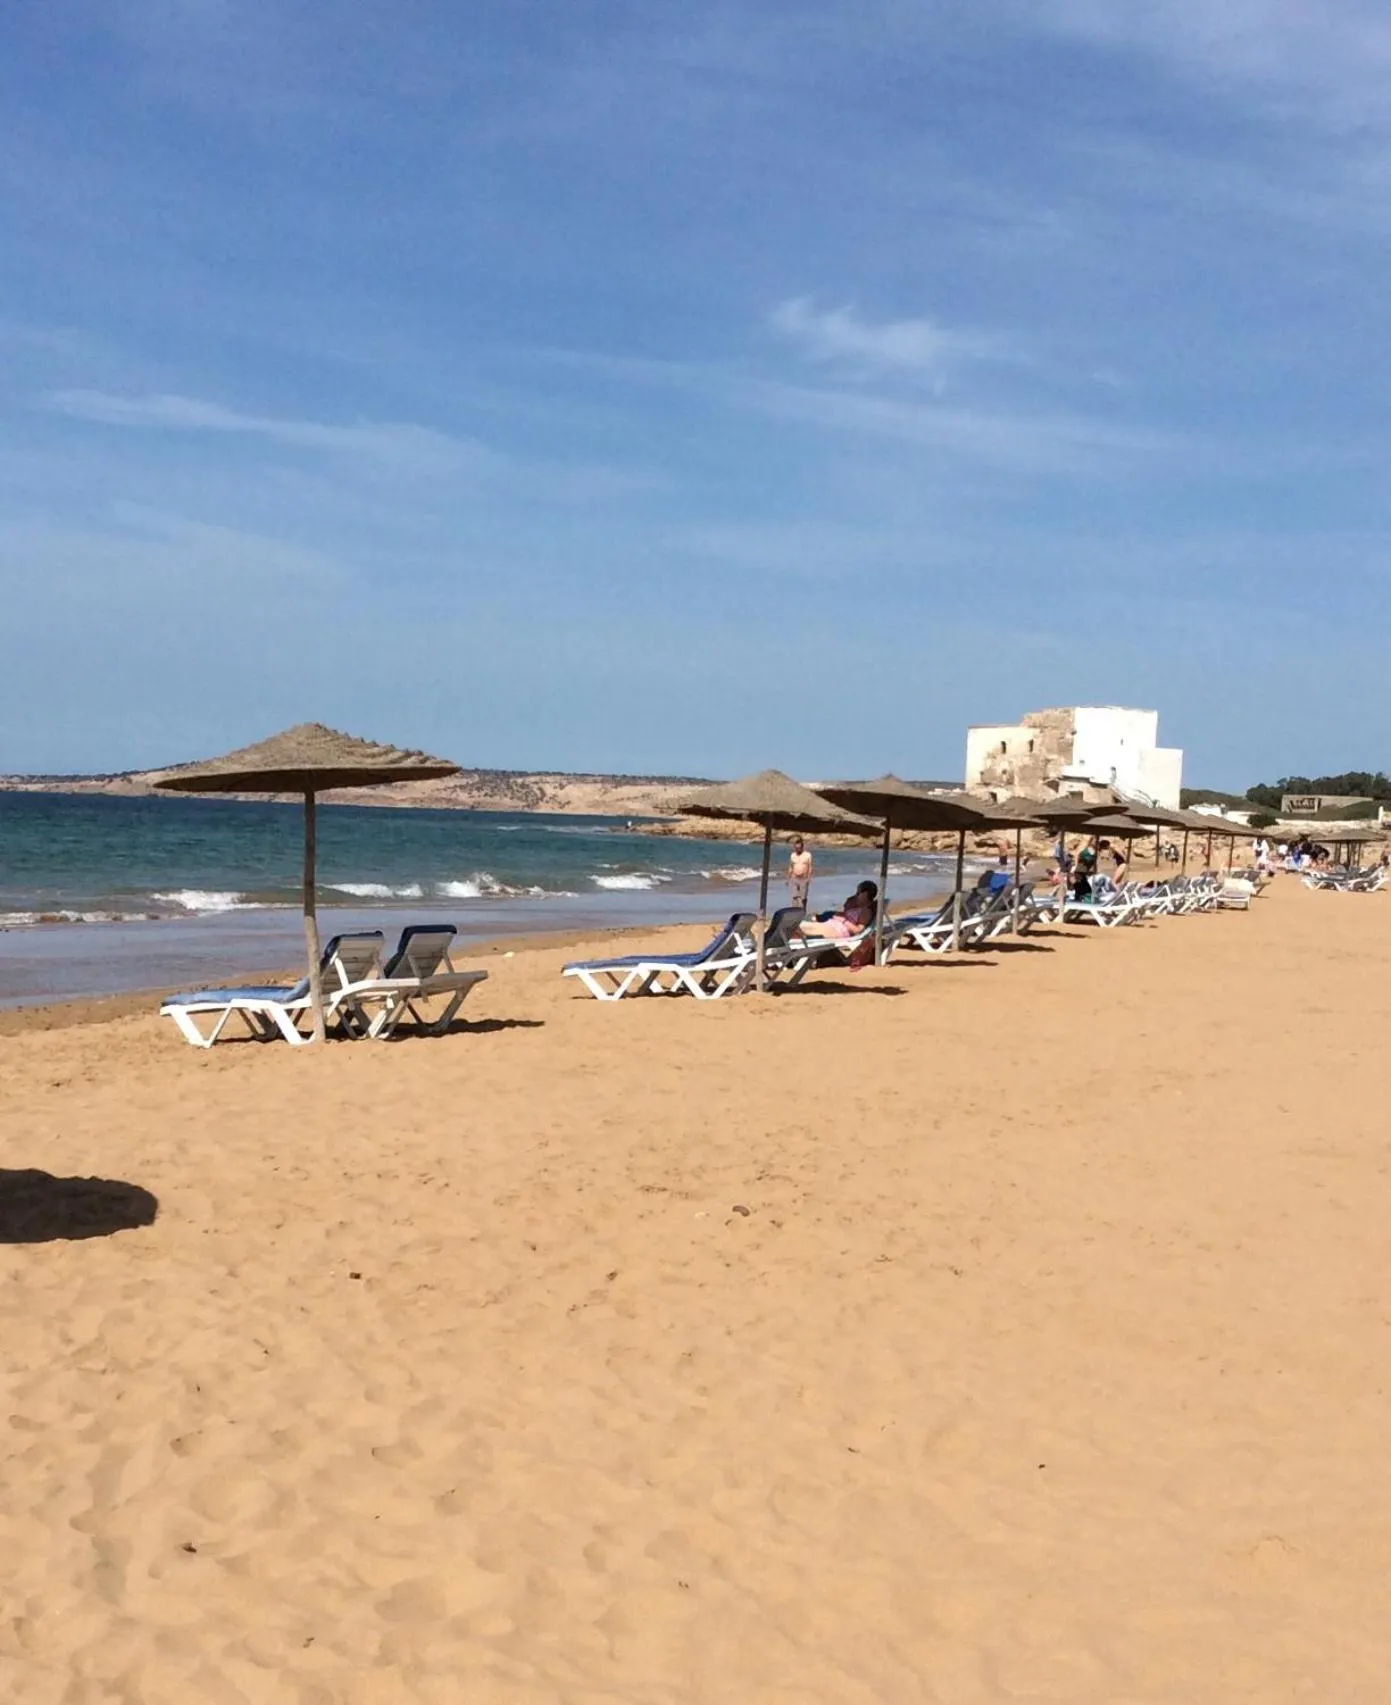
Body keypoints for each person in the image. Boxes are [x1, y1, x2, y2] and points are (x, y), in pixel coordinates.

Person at [800, 880, 878, 939]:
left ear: (865, 894)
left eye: (858, 893)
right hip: (833, 926)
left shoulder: (866, 911)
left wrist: (843, 920)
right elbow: (847, 908)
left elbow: (858, 930)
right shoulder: (857, 907)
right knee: (801, 926)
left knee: (802, 927)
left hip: (839, 931)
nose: (856, 895)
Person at [788, 837, 814, 910]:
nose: (797, 849)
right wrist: (788, 878)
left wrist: (808, 878)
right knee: (794, 896)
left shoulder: (807, 855)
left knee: (803, 897)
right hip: (794, 877)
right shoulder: (792, 855)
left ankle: (803, 910)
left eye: (799, 848)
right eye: (796, 848)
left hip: (804, 878)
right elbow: (791, 866)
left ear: (802, 847)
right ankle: (793, 911)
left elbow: (810, 866)